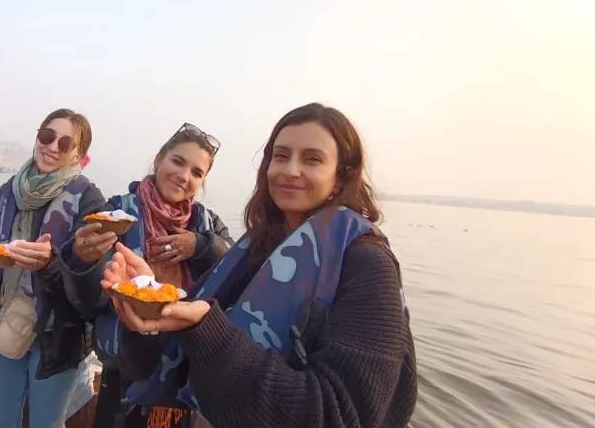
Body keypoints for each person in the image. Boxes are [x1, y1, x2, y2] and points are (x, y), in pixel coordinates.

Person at [104, 103, 417, 428]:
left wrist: (208, 331)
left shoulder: (367, 264)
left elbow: (343, 414)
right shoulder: (251, 251)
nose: (290, 170)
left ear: (341, 175)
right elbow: (153, 361)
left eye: (312, 159)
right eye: (280, 156)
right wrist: (146, 299)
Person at [58, 123, 235, 428]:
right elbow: (88, 303)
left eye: (197, 172)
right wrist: (83, 259)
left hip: (186, 373)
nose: (184, 175)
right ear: (159, 160)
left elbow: (235, 277)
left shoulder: (207, 223)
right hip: (124, 368)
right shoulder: (116, 213)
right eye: (178, 161)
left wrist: (203, 245)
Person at [0, 109, 105, 428]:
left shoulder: (90, 199)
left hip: (57, 339)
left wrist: (49, 264)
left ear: (78, 153)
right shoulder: (9, 190)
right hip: (3, 324)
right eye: (46, 136)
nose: (52, 147)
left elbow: (90, 292)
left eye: (65, 143)